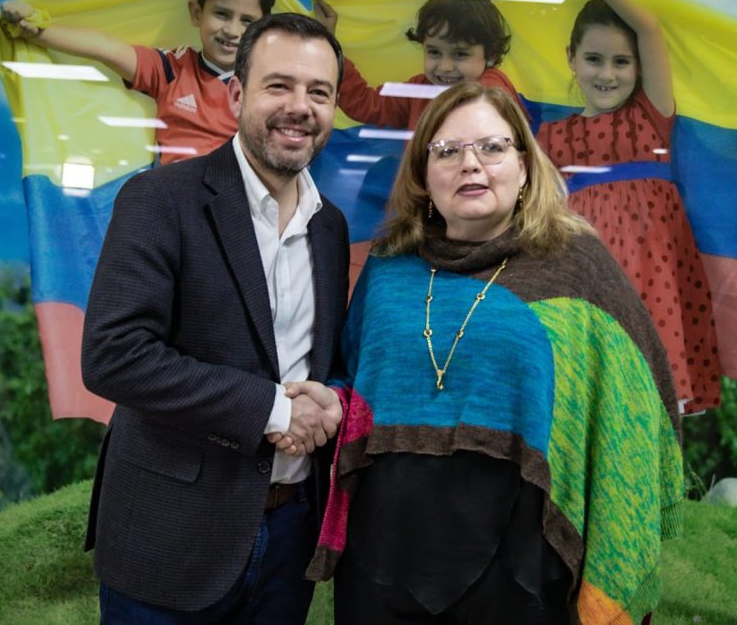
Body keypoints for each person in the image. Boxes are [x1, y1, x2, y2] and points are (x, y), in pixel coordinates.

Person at [281, 82, 683, 624]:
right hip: (384, 548)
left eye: (492, 147)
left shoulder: (575, 267)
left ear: (525, 167)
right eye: (447, 151)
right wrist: (334, 399)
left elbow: (632, 404)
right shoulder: (389, 265)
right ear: (424, 175)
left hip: (520, 556)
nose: (470, 164)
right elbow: (355, 377)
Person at [80, 12, 350, 623]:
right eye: (278, 85)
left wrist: (331, 400)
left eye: (319, 92)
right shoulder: (159, 199)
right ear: (235, 95)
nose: (300, 107)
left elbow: (317, 361)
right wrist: (274, 410)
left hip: (290, 537)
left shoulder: (329, 226)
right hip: (168, 534)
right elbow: (114, 355)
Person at [536, 0, 721, 411]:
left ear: (639, 65)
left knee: (653, 407)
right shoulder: (551, 137)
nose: (608, 74)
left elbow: (649, 27)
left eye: (622, 61)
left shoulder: (651, 117)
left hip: (651, 283)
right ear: (571, 57)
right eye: (594, 59)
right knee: (591, 402)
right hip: (587, 282)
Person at [0, 0, 275, 165]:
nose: (232, 30)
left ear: (263, 29)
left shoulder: (268, 85)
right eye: (222, 14)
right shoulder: (171, 68)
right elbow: (104, 47)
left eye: (247, 21)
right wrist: (37, 28)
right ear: (196, 13)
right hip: (176, 200)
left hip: (237, 202)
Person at [313, 0, 527, 130]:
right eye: (434, 52)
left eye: (460, 54)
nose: (445, 67)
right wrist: (329, 43)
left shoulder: (492, 88)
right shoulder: (420, 89)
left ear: (489, 53)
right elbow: (367, 104)